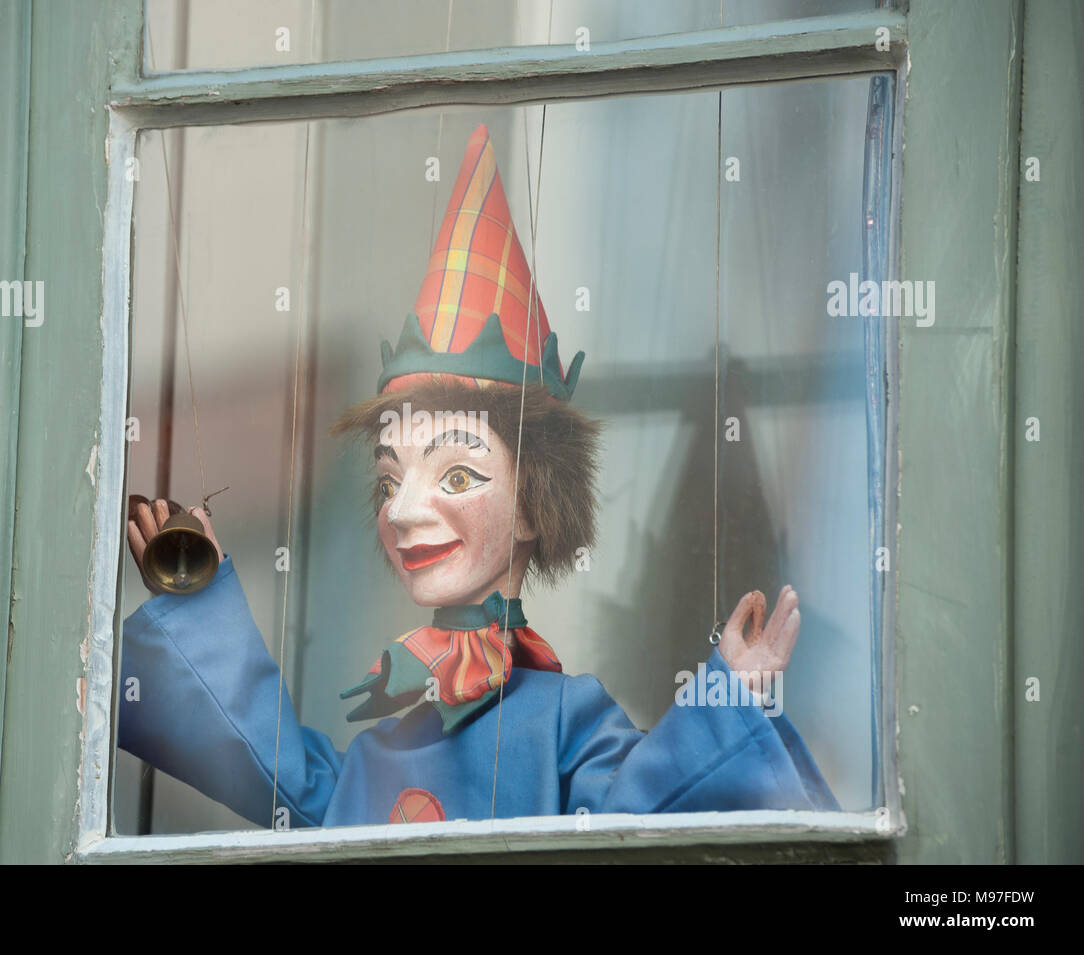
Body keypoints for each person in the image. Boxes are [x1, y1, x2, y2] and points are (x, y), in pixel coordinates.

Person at [118, 124, 837, 828]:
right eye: (390, 481)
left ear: (531, 506)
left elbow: (634, 819)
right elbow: (284, 781)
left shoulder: (563, 719)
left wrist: (727, 703)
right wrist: (196, 600)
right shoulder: (384, 746)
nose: (403, 511)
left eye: (457, 475)